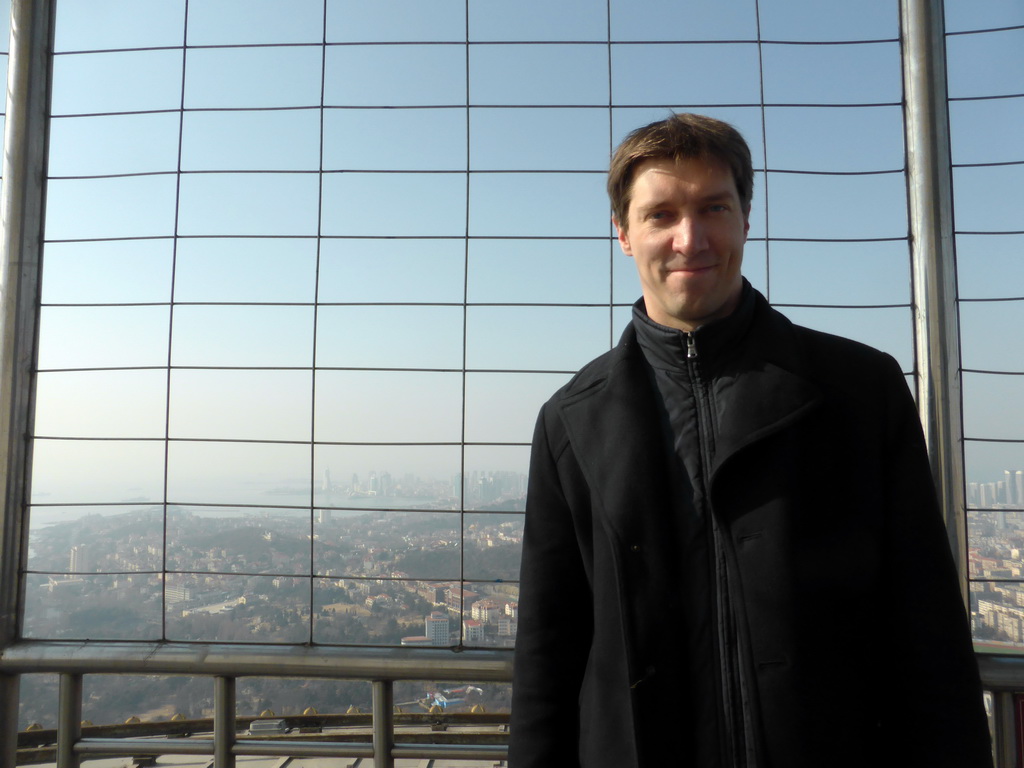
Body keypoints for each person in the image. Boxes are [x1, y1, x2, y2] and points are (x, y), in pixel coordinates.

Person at [508, 113, 992, 768]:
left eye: (714, 207)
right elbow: (548, 657)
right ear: (622, 233)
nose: (691, 237)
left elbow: (927, 632)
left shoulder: (860, 390)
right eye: (661, 215)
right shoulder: (568, 422)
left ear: (745, 218)